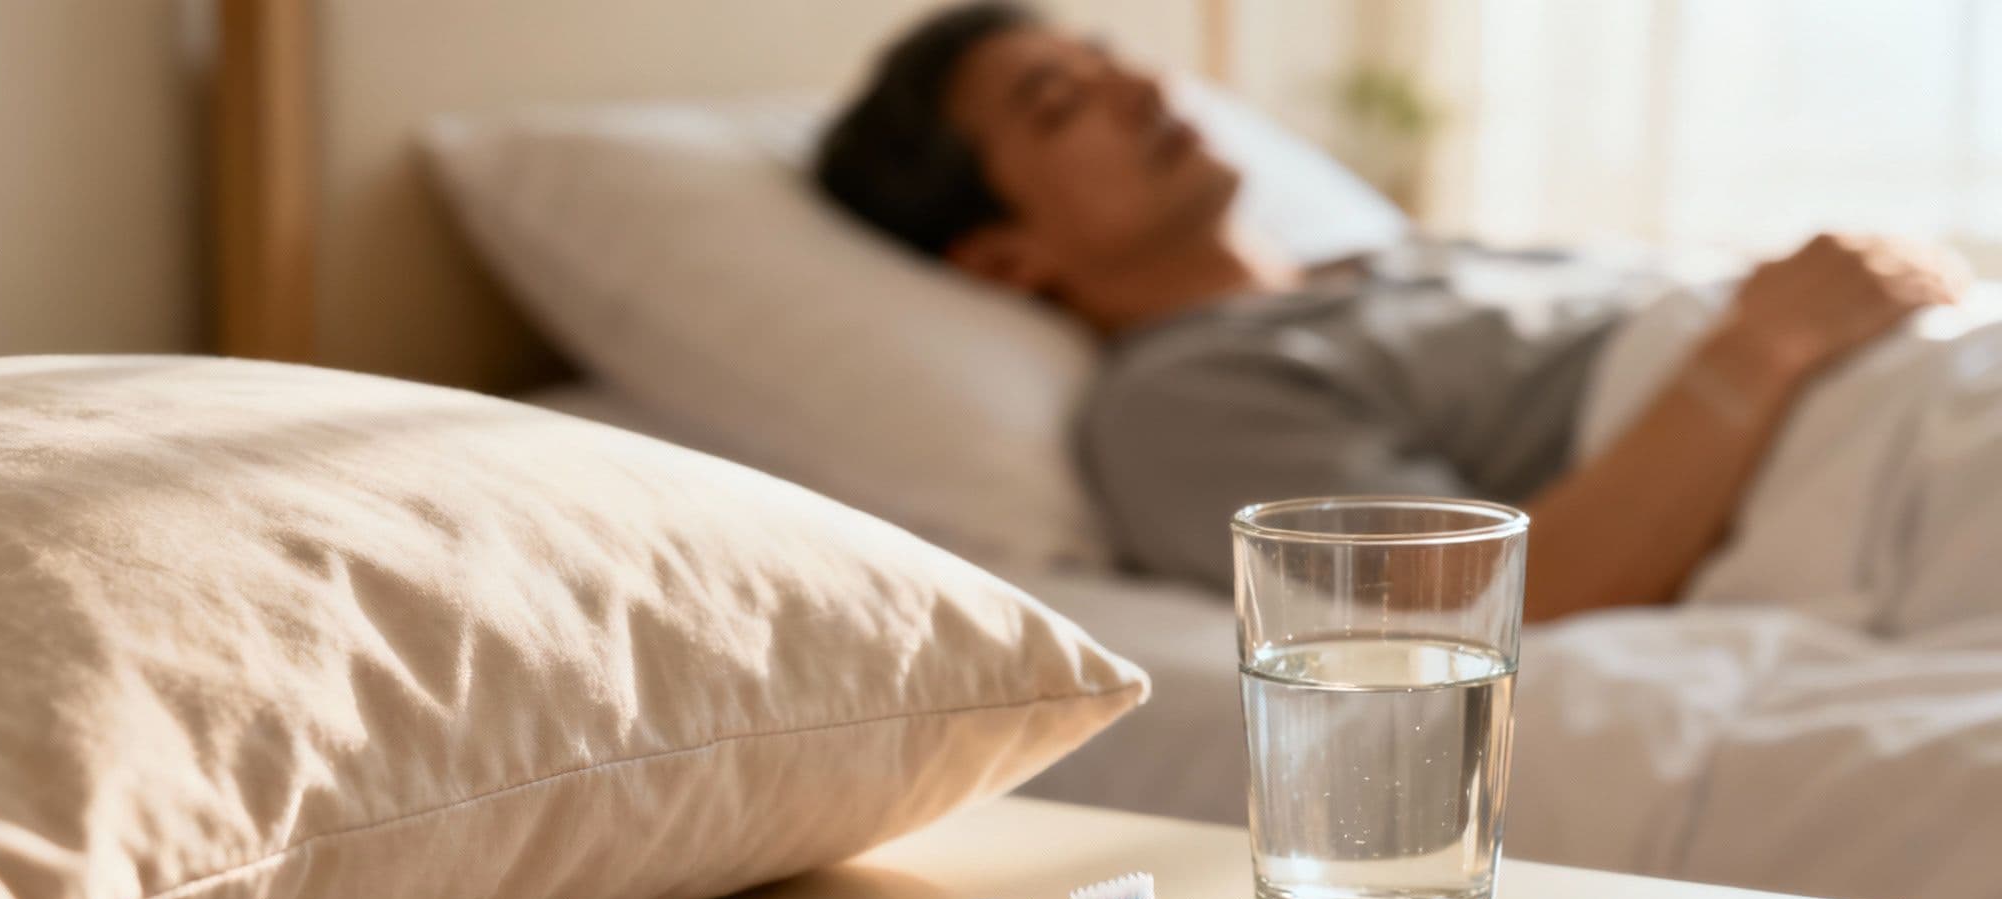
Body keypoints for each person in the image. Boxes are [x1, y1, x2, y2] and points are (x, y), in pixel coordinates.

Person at [814, 2, 1966, 620]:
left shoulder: (1390, 261)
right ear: (1002, 258)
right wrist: (1760, 346)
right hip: (1860, 446)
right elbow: (1490, 607)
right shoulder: (1179, 396)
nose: (1145, 85)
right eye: (1061, 104)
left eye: (1107, 58)